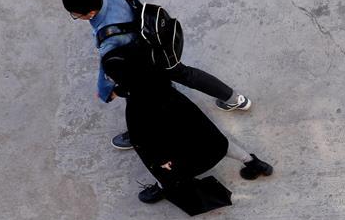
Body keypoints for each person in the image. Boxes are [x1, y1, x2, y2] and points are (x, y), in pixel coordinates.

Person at [62, 0, 252, 150]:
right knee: (182, 73)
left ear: (91, 13)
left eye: (76, 15)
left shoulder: (109, 37)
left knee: (139, 99)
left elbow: (107, 68)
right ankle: (235, 99)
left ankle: (137, 136)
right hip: (160, 34)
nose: (76, 17)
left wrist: (105, 91)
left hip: (147, 60)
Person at [102, 43, 272, 205]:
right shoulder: (159, 79)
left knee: (163, 174)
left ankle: (161, 189)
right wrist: (120, 90)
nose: (107, 77)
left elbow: (144, 139)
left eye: (110, 75)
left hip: (172, 146)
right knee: (218, 143)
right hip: (192, 125)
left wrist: (161, 160)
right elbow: (141, 81)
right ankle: (252, 162)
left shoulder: (138, 108)